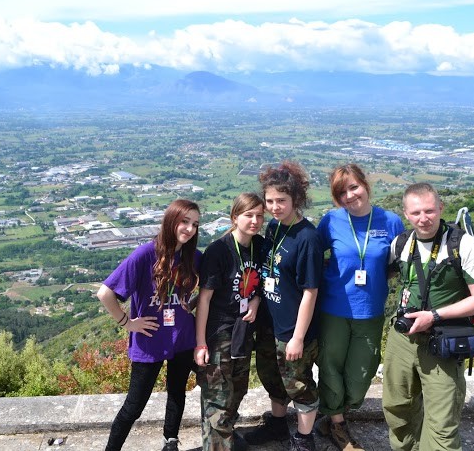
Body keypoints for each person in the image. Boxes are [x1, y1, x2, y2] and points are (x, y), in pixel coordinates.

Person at [382, 183, 474, 451]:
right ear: (406, 214)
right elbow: (384, 275)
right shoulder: (401, 243)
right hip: (404, 338)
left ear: (441, 208)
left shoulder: (461, 245)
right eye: (416, 212)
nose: (424, 218)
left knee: (442, 423)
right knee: (397, 407)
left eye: (430, 211)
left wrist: (433, 315)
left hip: (442, 341)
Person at [97, 199, 202, 451]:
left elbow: (210, 289)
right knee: (134, 405)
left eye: (195, 224)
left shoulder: (194, 257)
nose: (189, 228)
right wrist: (127, 322)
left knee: (177, 392)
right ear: (171, 221)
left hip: (183, 337)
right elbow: (105, 293)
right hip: (150, 339)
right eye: (184, 221)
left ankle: (170, 441)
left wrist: (192, 302)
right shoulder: (146, 255)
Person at [315, 164, 404, 451]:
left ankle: (333, 412)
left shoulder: (390, 221)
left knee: (362, 372)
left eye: (353, 187)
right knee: (330, 367)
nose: (350, 196)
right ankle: (338, 425)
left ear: (365, 184)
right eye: (342, 192)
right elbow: (312, 256)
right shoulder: (331, 221)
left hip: (370, 309)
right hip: (333, 308)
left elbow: (397, 264)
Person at [244, 160, 323, 451]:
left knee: (299, 384)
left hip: (292, 328)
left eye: (282, 200)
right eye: (270, 201)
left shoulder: (307, 238)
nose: (275, 207)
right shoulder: (275, 228)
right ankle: (278, 425)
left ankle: (304, 440)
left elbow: (310, 292)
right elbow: (267, 272)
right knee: (272, 377)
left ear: (296, 199)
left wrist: (298, 338)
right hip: (269, 321)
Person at [195, 193, 265, 451]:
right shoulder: (219, 251)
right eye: (249, 215)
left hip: (243, 331)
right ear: (235, 217)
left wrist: (256, 301)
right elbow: (204, 300)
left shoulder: (259, 246)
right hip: (219, 333)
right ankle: (217, 445)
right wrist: (200, 343)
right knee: (217, 398)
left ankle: (225, 438)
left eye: (259, 215)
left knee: (237, 390)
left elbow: (259, 283)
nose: (255, 221)